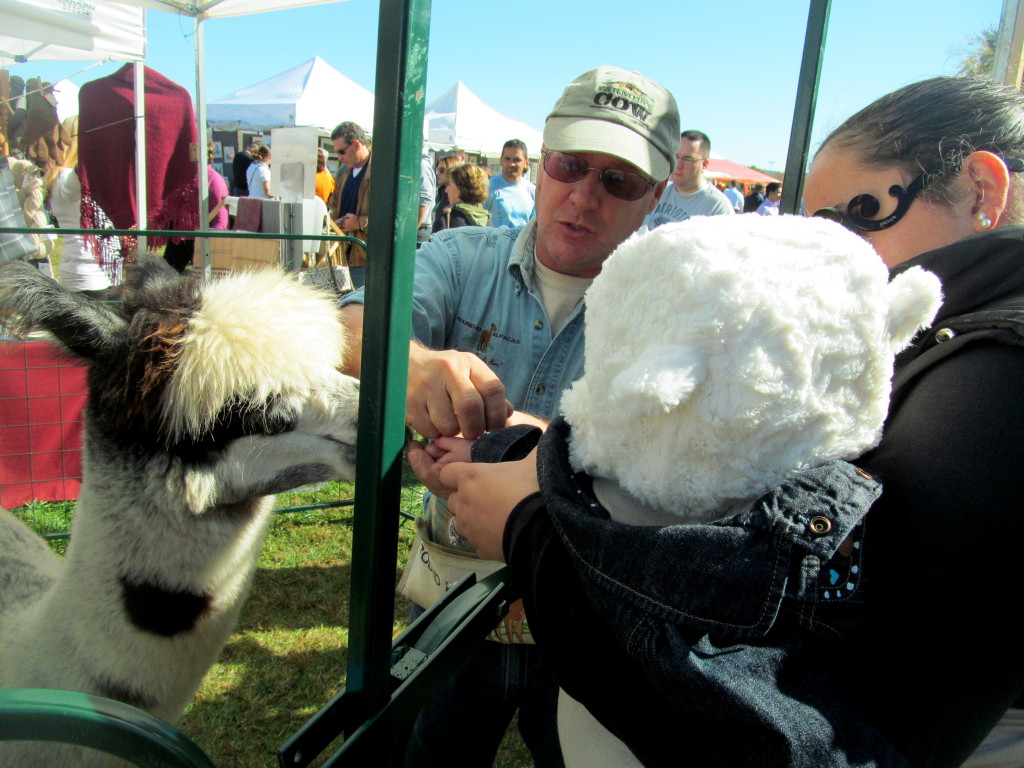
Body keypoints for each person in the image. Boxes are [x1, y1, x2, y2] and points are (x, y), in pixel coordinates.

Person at [427, 75, 1024, 768]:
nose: (825, 256)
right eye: (815, 228)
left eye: (852, 218)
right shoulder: (947, 353)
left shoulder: (996, 384)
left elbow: (815, 736)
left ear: (981, 193)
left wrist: (532, 528)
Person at [340, 65, 679, 768]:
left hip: (587, 613)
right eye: (571, 165)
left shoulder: (675, 312)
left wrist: (519, 451)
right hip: (452, 597)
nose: (584, 196)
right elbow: (347, 322)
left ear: (657, 196)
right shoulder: (462, 257)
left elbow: (683, 468)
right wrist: (408, 366)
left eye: (617, 181)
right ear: (540, 156)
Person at [45, 115, 112, 298]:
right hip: (89, 271)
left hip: (81, 267)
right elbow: (72, 189)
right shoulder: (70, 178)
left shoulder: (57, 176)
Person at [639, 129, 733, 232]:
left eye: (687, 159)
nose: (678, 164)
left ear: (704, 165)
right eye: (676, 156)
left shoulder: (717, 206)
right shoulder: (659, 191)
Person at [328, 121, 372, 289]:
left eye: (341, 151)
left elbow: (391, 217)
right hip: (342, 255)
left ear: (355, 144)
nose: (339, 157)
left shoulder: (380, 171)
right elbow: (334, 206)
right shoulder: (343, 173)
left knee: (361, 307)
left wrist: (359, 222)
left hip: (366, 258)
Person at [484, 139, 536, 228]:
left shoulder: (532, 191)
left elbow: (534, 226)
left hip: (522, 241)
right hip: (495, 241)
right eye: (507, 159)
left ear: (526, 162)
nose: (511, 164)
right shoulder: (488, 187)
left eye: (516, 160)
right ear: (501, 160)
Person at [433, 163, 490, 232]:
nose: (446, 190)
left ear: (462, 188)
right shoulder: (487, 220)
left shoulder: (447, 219)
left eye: (450, 184)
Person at [207, 141, 230, 231]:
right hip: (177, 240)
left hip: (198, 241)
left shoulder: (213, 178)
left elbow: (220, 220)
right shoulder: (182, 177)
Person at [417, 147, 437, 243]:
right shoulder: (419, 164)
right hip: (419, 227)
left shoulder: (422, 165)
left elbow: (424, 199)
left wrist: (413, 229)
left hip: (420, 229)